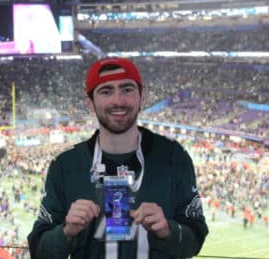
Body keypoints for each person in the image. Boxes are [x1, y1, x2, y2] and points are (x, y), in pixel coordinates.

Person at [27, 57, 209, 259]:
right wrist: (67, 232)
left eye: (127, 89)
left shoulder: (174, 157)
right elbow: (39, 250)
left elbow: (195, 240)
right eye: (106, 91)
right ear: (90, 104)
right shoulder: (65, 165)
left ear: (142, 97)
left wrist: (168, 231)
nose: (118, 101)